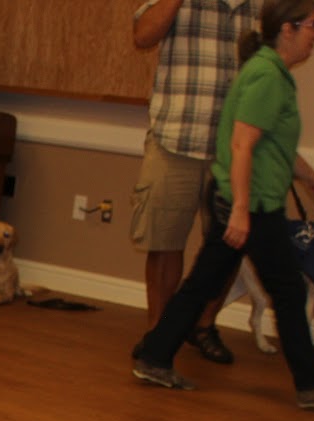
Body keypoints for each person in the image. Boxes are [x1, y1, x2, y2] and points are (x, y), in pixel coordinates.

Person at [130, 0, 314, 409]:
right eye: (313, 25)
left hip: (245, 199)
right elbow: (241, 144)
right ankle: (312, 385)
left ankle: (153, 356)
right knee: (289, 290)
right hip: (251, 202)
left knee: (203, 281)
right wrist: (239, 209)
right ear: (287, 30)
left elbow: (274, 144)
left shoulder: (271, 73)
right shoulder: (265, 76)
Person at [132, 0, 260, 361]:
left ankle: (203, 325)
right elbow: (143, 35)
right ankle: (157, 334)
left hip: (235, 148)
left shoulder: (261, 6)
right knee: (164, 239)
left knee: (229, 244)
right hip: (176, 135)